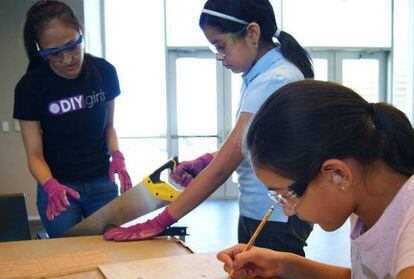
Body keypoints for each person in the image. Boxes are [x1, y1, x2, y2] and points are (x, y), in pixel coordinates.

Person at [178, 80, 414, 279]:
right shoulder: (367, 201)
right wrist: (283, 264)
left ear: (337, 174)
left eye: (287, 195)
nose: (287, 210)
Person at [104, 0, 314, 256]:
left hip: (275, 214)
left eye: (221, 46)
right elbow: (253, 146)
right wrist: (205, 161)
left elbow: (224, 168)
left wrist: (160, 221)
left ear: (252, 33)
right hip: (262, 210)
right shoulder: (263, 75)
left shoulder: (275, 79)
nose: (220, 58)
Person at [13, 0, 132, 238]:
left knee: (107, 249)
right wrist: (50, 185)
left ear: (81, 33)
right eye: (54, 53)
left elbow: (108, 126)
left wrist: (117, 155)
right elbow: (34, 155)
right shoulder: (30, 87)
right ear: (40, 50)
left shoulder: (104, 72)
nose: (67, 59)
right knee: (67, 254)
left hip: (101, 182)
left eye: (72, 46)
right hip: (59, 188)